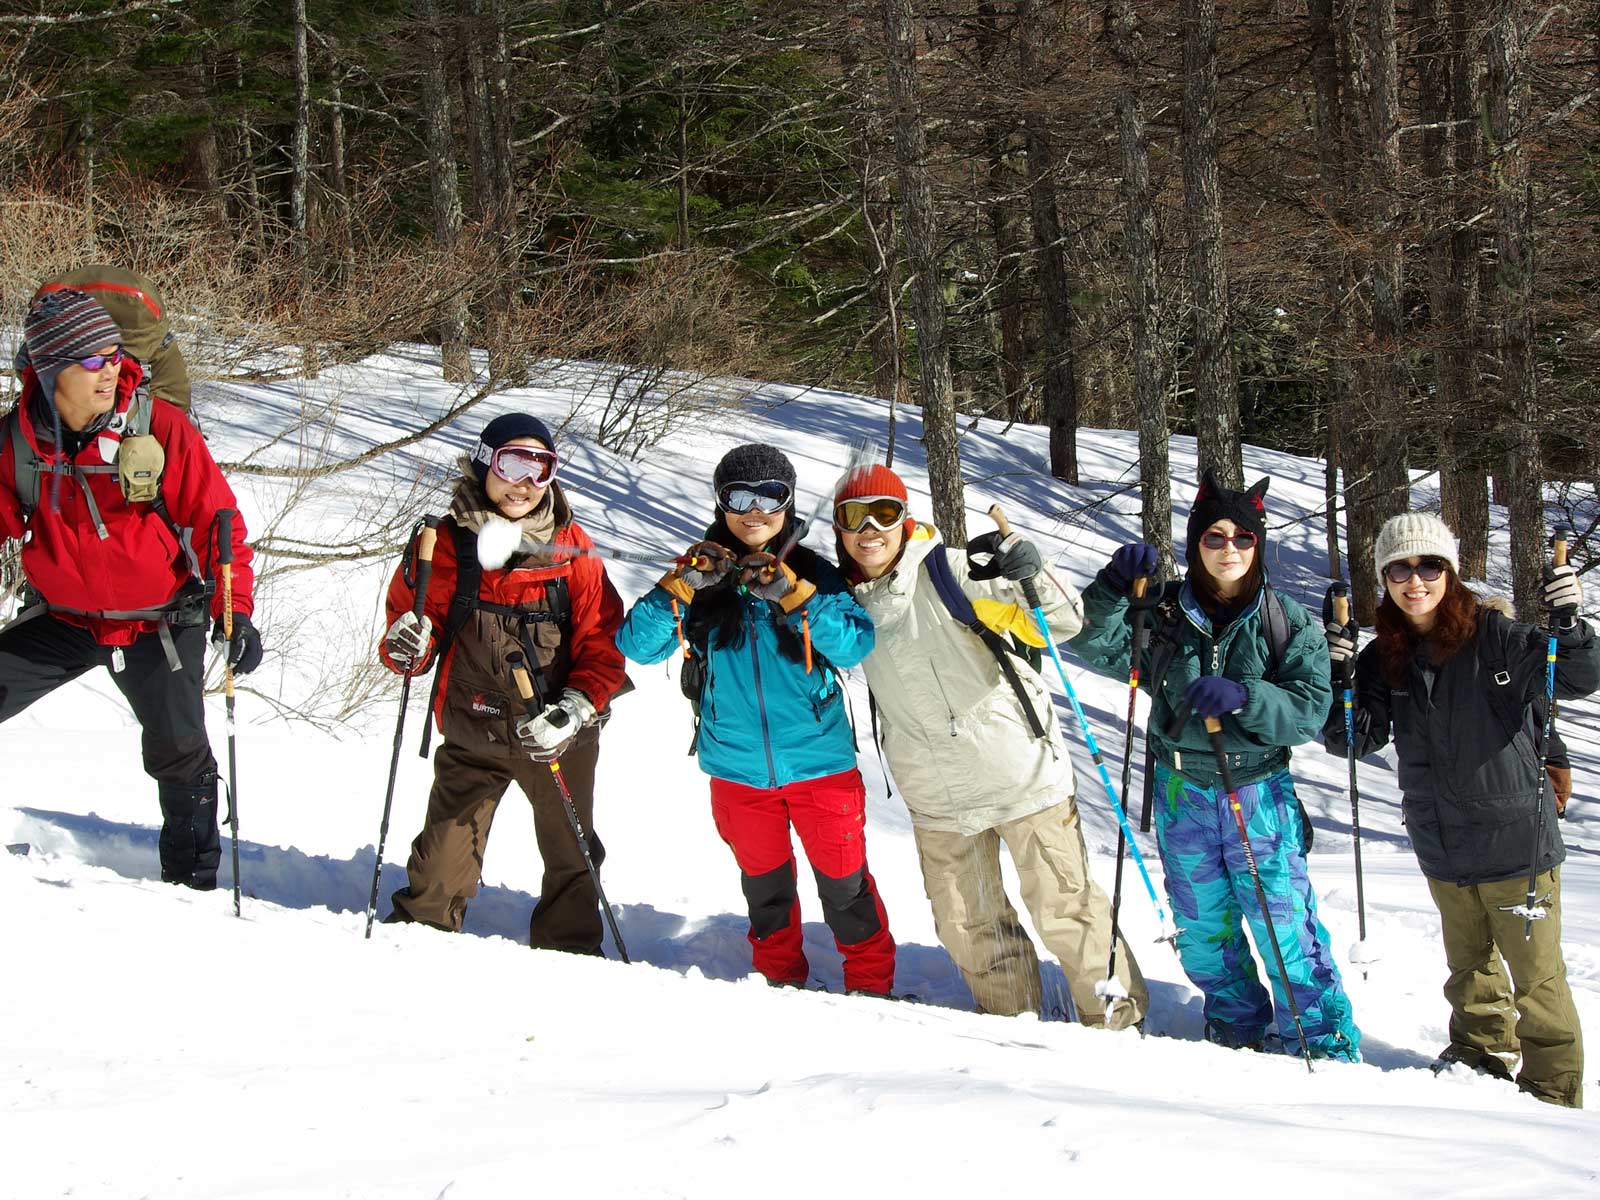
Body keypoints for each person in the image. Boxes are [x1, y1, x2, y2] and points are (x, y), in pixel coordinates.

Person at [833, 464, 1147, 1026]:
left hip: (1020, 774)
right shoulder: (847, 604)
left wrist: (1032, 570)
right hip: (936, 794)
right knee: (968, 925)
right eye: (855, 516)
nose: (871, 529)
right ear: (839, 527)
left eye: (886, 512)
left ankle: (1118, 1026)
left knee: (1067, 912)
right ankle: (1011, 1028)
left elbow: (1059, 623)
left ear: (906, 520)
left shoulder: (954, 571)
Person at [1071, 470, 1360, 1060]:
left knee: (1285, 929)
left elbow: (1311, 709)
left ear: (1258, 547)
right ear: (1194, 542)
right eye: (1214, 536)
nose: (1229, 548)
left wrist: (1247, 696)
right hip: (1182, 795)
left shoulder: (1286, 621)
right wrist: (1109, 587)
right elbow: (1092, 644)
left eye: (1243, 538)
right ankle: (1234, 1030)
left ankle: (1323, 1043)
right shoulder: (1164, 613)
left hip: (1258, 795)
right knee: (1203, 931)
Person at [1323, 512, 1596, 1106]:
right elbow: (1352, 739)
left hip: (1515, 843)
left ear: (1450, 571)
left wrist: (1571, 623)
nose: (1414, 580)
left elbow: (1577, 675)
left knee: (1539, 981)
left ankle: (1552, 1091)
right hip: (1441, 842)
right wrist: (1337, 673)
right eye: (1399, 568)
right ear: (1384, 578)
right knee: (1469, 970)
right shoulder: (1382, 656)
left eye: (1428, 566)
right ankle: (1479, 1059)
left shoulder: (1495, 635)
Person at [0, 287, 257, 889]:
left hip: (160, 621)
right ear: (52, 368)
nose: (110, 370)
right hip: (64, 617)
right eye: (93, 361)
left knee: (179, 751)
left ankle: (191, 885)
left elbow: (218, 524)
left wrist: (233, 610)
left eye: (115, 356)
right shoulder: (16, 441)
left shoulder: (157, 426)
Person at [616, 443, 895, 994]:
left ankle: (871, 992)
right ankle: (780, 989)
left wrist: (793, 594)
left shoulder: (813, 572)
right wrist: (683, 586)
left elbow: (852, 644)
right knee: (767, 893)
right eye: (738, 497)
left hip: (821, 765)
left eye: (771, 496)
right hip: (738, 771)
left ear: (788, 503)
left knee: (846, 891)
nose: (755, 510)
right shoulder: (699, 571)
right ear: (721, 503)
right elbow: (639, 647)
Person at [380, 413, 627, 953]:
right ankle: (418, 952)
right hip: (474, 732)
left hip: (558, 736)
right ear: (484, 461)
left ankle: (571, 958)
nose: (524, 483)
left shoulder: (572, 550)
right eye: (512, 463)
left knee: (573, 853)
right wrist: (406, 645)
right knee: (437, 874)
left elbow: (604, 645)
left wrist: (578, 706)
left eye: (541, 469)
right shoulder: (443, 545)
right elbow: (411, 636)